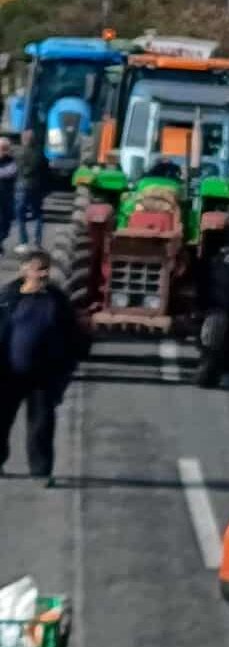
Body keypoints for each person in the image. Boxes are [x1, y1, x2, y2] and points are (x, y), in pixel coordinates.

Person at [0, 246, 86, 485]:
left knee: (41, 426)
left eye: (46, 269)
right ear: (25, 270)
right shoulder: (7, 299)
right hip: (9, 373)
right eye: (39, 270)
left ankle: (41, 471)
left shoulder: (57, 301)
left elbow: (73, 337)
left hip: (44, 377)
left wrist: (65, 370)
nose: (44, 275)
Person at [15, 131, 47, 248]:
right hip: (36, 187)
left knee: (20, 214)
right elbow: (46, 172)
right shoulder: (40, 154)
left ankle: (23, 241)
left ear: (23, 140)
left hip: (21, 186)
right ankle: (37, 241)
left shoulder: (18, 153)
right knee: (38, 213)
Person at [0, 137, 16, 249]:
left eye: (5, 149)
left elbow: (11, 172)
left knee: (6, 224)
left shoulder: (11, 160)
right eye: (2, 148)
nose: (3, 151)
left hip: (6, 197)